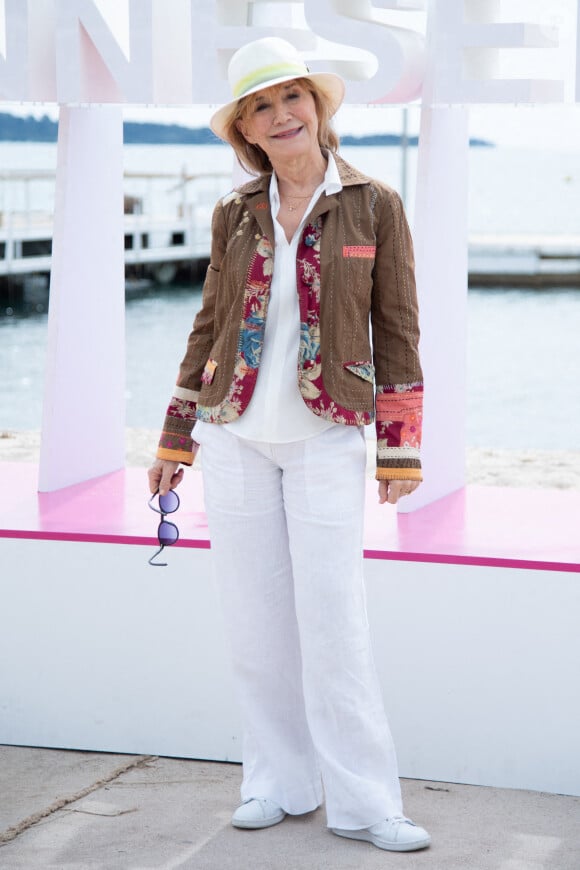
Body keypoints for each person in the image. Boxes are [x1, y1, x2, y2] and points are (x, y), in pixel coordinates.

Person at [148, 36, 430, 853]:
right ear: (246, 129)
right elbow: (208, 325)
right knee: (255, 624)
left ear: (318, 107)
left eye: (291, 99)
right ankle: (276, 781)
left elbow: (399, 328)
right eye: (260, 108)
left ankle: (368, 802)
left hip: (327, 435)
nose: (280, 116)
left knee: (335, 625)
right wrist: (176, 438)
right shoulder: (234, 213)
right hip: (234, 434)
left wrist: (400, 445)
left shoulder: (374, 203)